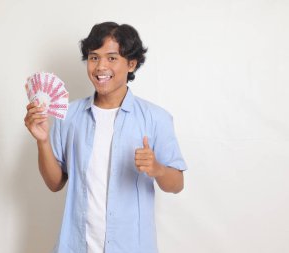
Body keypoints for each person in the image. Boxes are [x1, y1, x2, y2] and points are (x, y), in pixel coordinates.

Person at [24, 21, 187, 253]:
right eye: (93, 57)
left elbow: (177, 184)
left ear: (131, 64)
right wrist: (42, 141)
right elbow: (54, 183)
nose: (100, 66)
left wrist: (157, 168)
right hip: (77, 245)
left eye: (112, 58)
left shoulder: (156, 118)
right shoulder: (67, 116)